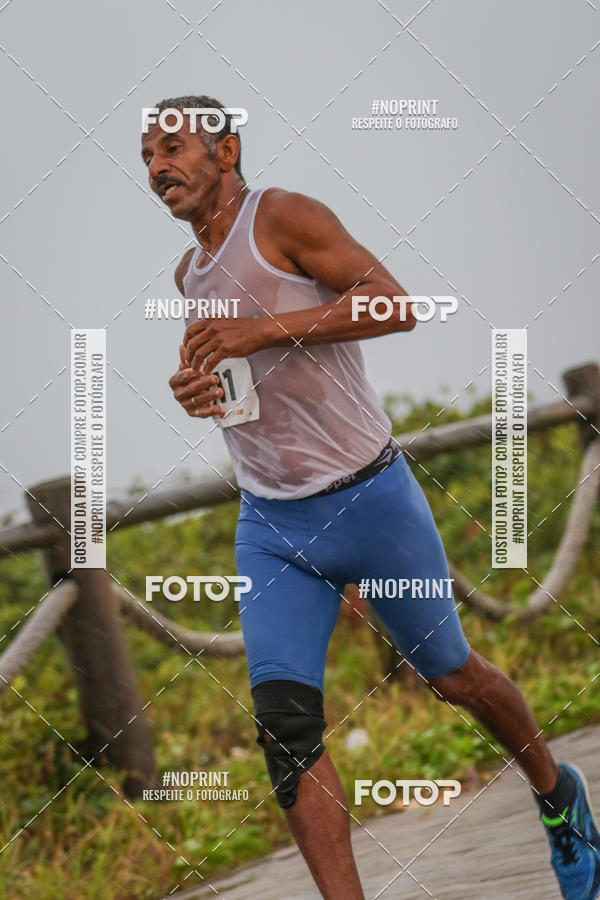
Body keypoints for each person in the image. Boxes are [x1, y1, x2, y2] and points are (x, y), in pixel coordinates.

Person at [141, 94, 600, 900]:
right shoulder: (189, 272)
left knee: (456, 678)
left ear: (226, 149)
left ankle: (558, 796)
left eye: (172, 147)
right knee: (287, 733)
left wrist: (262, 332)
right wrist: (196, 388)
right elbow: (231, 373)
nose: (156, 168)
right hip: (273, 525)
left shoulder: (281, 216)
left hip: (371, 501)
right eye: (146, 156)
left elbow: (396, 305)